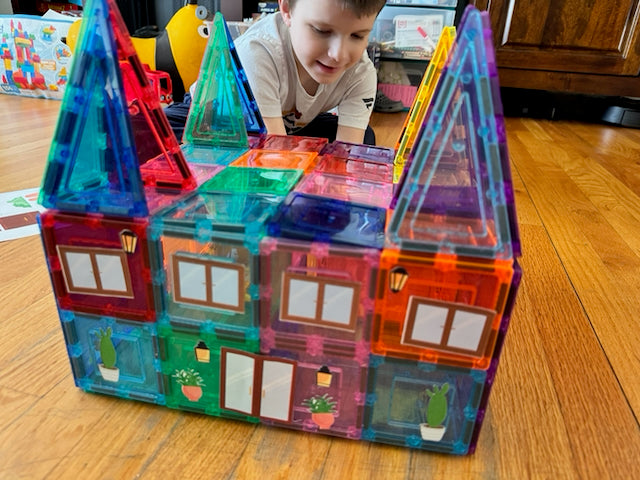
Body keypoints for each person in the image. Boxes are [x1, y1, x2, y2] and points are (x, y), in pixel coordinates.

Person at [165, 0, 386, 145]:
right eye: (321, 30)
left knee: (363, 137)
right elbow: (275, 158)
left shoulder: (360, 73)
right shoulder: (258, 51)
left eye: (357, 36)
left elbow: (347, 154)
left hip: (287, 125)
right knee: (160, 135)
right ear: (287, 10)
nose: (338, 54)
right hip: (215, 114)